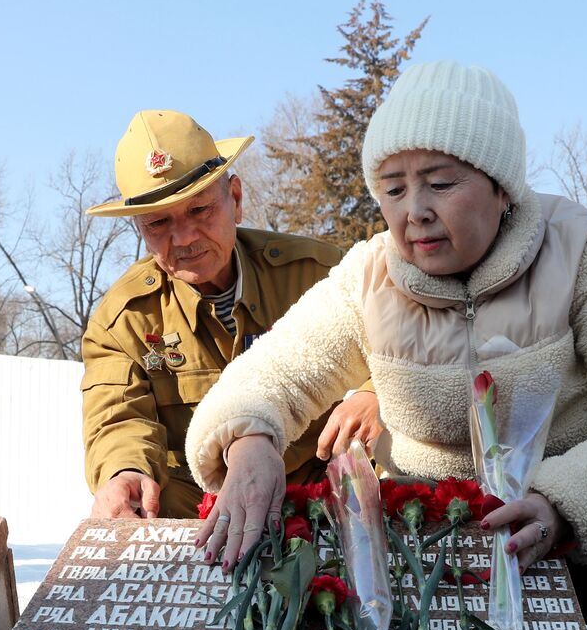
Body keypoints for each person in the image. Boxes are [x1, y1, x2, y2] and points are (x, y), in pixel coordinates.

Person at [186, 62, 587, 630]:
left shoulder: (580, 251)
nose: (413, 211)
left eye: (440, 183)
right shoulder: (369, 277)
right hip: (424, 546)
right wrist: (249, 438)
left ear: (501, 186)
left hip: (576, 542)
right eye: (392, 189)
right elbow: (272, 373)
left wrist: (567, 502)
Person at [82, 109, 380, 520]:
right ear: (139, 230)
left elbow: (408, 338)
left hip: (325, 489)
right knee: (144, 498)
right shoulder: (124, 321)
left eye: (200, 210)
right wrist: (124, 471)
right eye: (158, 223)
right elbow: (117, 418)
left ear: (235, 199)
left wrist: (375, 391)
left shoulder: (320, 275)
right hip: (205, 508)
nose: (183, 237)